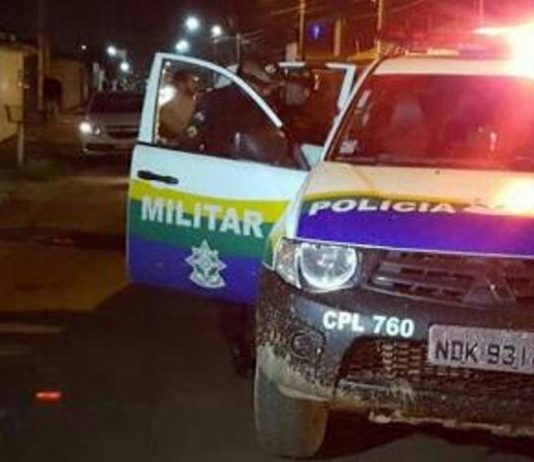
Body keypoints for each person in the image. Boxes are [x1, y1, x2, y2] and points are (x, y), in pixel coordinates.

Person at [157, 70, 200, 147]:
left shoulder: (199, 106)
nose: (196, 85)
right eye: (193, 82)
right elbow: (181, 134)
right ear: (181, 85)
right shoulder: (167, 110)